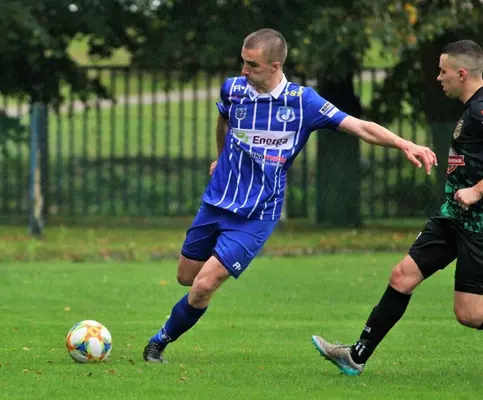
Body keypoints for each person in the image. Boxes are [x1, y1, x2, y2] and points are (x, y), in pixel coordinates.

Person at [142, 28, 437, 363]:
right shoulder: (233, 89)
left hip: (257, 214)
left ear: (275, 66)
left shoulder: (302, 102)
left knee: (204, 285)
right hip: (216, 201)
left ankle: (157, 343)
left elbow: (359, 126)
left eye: (252, 65)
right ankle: (203, 280)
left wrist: (404, 143)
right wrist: (221, 156)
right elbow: (224, 120)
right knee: (186, 277)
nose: (244, 71)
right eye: (243, 62)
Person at [312, 39, 483, 376]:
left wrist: (477, 191)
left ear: (461, 74)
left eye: (443, 71)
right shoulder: (472, 109)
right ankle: (356, 356)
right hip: (452, 217)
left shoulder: (481, 110)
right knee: (402, 276)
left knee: (470, 314)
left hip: (478, 224)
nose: (438, 78)